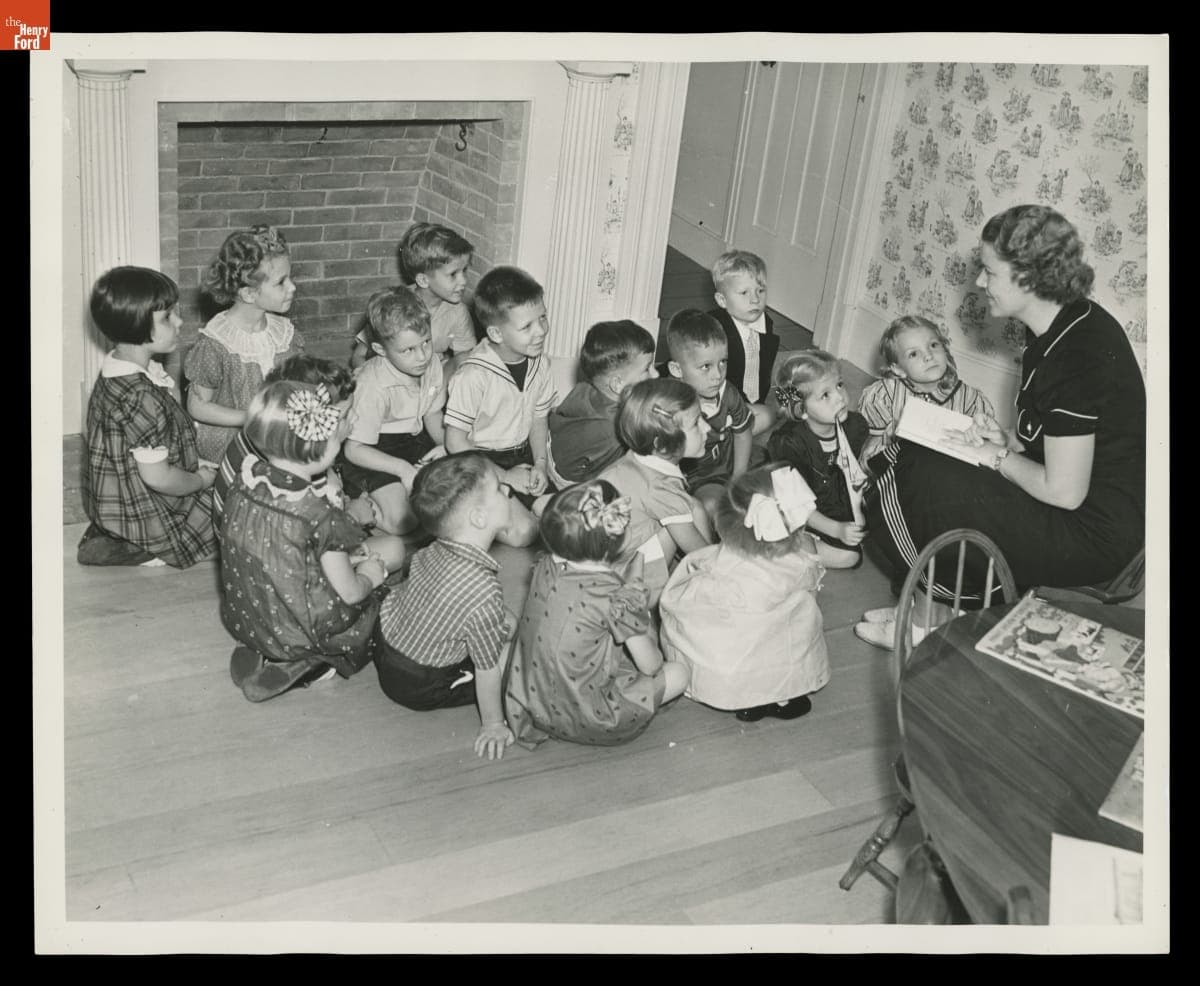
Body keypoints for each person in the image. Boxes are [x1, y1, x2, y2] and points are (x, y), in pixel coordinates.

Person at [858, 205, 1146, 648]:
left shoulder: (1078, 353)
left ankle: (926, 619)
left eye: (989, 272)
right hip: (1083, 512)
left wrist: (997, 457)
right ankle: (931, 607)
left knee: (903, 467)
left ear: (1028, 277)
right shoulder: (1058, 327)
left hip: (1092, 539)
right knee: (920, 448)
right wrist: (1007, 441)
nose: (979, 282)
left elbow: (1064, 492)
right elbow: (1069, 448)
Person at [219, 381, 406, 702]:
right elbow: (349, 592)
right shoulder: (319, 515)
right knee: (392, 558)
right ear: (316, 450)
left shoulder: (246, 475)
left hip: (250, 612)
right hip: (305, 625)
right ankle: (315, 662)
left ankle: (258, 645)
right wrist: (370, 576)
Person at [504, 481, 690, 748]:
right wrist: (642, 616)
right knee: (678, 673)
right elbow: (650, 665)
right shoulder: (615, 598)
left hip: (535, 706)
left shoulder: (544, 565)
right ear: (619, 534)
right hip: (594, 717)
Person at [373, 452, 518, 761]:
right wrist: (494, 723)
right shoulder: (482, 592)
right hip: (416, 683)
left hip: (384, 642)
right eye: (499, 489)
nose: (507, 491)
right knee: (513, 657)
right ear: (479, 518)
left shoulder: (432, 548)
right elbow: (486, 666)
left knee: (504, 624)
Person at [659, 465, 830, 722]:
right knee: (796, 626)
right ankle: (785, 697)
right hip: (781, 649)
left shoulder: (724, 559)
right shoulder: (800, 561)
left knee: (732, 640)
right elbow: (812, 584)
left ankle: (747, 700)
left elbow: (703, 594)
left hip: (736, 659)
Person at [78, 266, 218, 569]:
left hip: (128, 491)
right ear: (135, 326)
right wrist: (197, 480)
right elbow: (157, 477)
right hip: (149, 503)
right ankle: (143, 545)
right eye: (167, 317)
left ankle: (119, 535)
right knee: (235, 522)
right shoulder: (139, 395)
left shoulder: (118, 371)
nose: (179, 321)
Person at [444, 265, 556, 537]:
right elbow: (455, 442)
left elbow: (539, 418)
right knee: (526, 533)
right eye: (526, 326)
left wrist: (540, 463)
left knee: (560, 515)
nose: (540, 331)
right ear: (496, 334)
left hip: (523, 454)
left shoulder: (539, 363)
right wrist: (505, 478)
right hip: (480, 459)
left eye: (542, 318)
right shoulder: (473, 375)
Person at [185, 225, 304, 463]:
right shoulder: (217, 343)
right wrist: (251, 417)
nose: (292, 287)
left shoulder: (284, 334)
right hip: (234, 446)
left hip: (277, 439)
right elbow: (197, 406)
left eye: (290, 278)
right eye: (281, 282)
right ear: (249, 294)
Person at [211, 354, 374, 528]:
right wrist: (353, 516)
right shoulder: (317, 483)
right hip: (295, 544)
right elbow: (322, 541)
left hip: (251, 539)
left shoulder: (259, 436)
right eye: (345, 416)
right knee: (393, 547)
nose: (355, 418)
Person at [341, 287, 448, 535]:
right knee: (404, 521)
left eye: (426, 343)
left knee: (446, 502)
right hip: (372, 449)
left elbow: (432, 413)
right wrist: (403, 469)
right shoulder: (371, 385)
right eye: (408, 350)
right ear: (380, 350)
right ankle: (354, 501)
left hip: (413, 439)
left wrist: (445, 445)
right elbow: (354, 449)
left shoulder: (430, 364)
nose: (422, 356)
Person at [598, 378, 714, 605]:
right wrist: (726, 567)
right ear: (662, 445)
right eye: (696, 423)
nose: (707, 427)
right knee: (682, 530)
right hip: (618, 590)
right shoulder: (660, 488)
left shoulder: (634, 460)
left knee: (692, 507)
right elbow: (696, 550)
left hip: (600, 567)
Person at [766, 351, 870, 569]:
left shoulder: (855, 426)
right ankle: (786, 548)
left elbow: (859, 475)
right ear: (802, 410)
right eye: (825, 395)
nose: (840, 397)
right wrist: (836, 530)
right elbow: (796, 502)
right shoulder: (789, 443)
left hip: (834, 504)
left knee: (858, 549)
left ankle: (803, 548)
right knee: (850, 556)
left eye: (839, 385)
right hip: (799, 508)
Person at [857, 315, 996, 467]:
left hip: (947, 473)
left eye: (933, 345)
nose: (928, 356)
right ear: (898, 369)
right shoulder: (884, 395)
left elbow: (983, 452)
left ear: (944, 348)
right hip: (896, 470)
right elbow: (871, 449)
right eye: (914, 354)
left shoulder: (970, 401)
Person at [664, 309, 756, 527]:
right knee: (708, 507)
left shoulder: (727, 392)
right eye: (706, 367)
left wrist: (738, 477)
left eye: (722, 362)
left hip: (719, 467)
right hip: (688, 475)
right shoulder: (667, 402)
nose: (718, 375)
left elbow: (743, 433)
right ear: (677, 369)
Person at [349, 223, 477, 372]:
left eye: (464, 270)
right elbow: (359, 356)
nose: (463, 281)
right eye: (453, 274)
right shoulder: (393, 304)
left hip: (431, 378)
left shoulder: (458, 312)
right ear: (423, 280)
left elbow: (464, 359)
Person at [546, 319, 657, 486]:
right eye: (647, 369)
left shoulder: (585, 388)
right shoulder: (618, 427)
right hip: (574, 483)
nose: (655, 375)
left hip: (554, 454)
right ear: (617, 384)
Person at [706, 249, 779, 434]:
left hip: (750, 402)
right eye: (744, 292)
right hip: (716, 399)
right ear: (722, 300)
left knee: (796, 395)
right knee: (768, 415)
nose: (755, 299)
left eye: (760, 290)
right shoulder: (714, 329)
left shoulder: (765, 325)